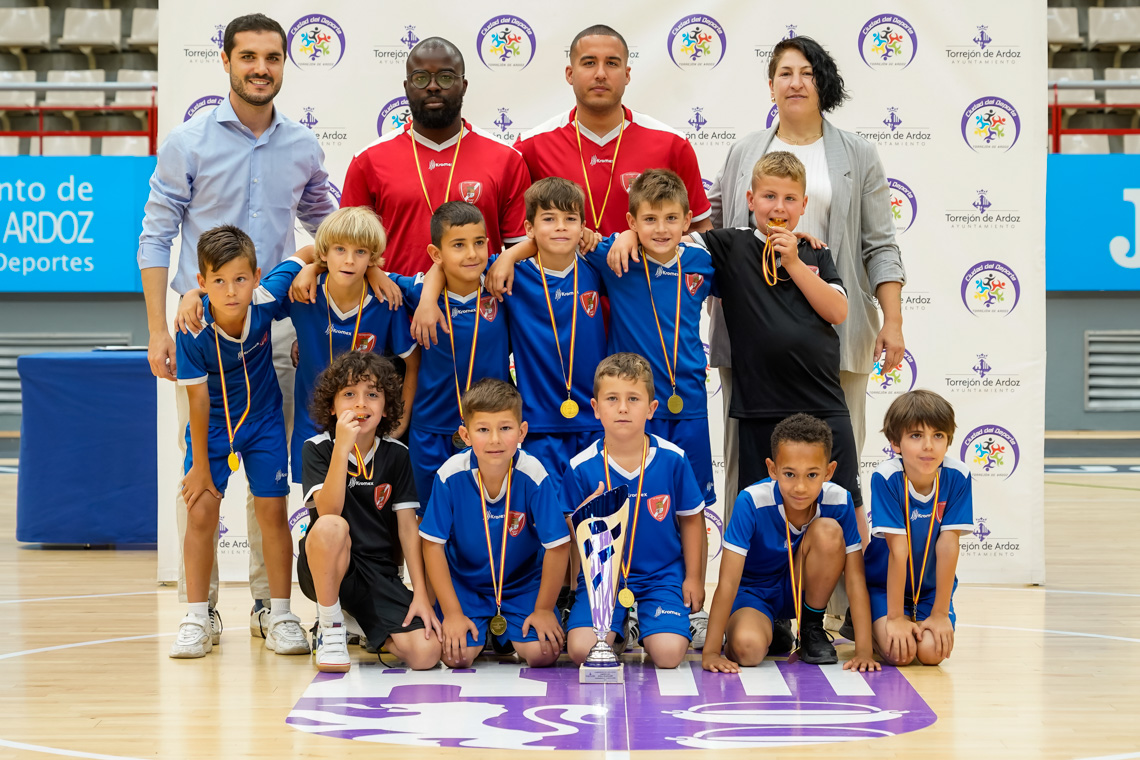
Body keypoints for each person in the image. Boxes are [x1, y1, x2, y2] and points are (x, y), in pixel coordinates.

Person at [138, 12, 336, 637]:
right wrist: (157, 328)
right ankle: (200, 611)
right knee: (201, 470)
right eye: (248, 56)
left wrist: (321, 262)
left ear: (284, 63)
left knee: (270, 477)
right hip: (200, 332)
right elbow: (156, 235)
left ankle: (267, 607)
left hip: (273, 333)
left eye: (272, 57)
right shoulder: (189, 141)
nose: (260, 68)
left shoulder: (303, 146)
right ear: (225, 62)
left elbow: (328, 228)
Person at [707, 35, 906, 520]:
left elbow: (879, 244)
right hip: (753, 334)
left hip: (831, 328)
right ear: (770, 84)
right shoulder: (745, 151)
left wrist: (893, 319)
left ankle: (834, 596)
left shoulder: (857, 154)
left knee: (834, 472)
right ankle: (751, 589)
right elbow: (710, 222)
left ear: (823, 82)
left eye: (807, 73)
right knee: (752, 468)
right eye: (785, 73)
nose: (796, 83)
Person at [177, 206, 417, 488]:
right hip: (311, 428)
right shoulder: (302, 292)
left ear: (373, 258)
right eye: (340, 250)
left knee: (368, 520)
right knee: (317, 522)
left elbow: (412, 364)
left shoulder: (385, 299)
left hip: (368, 427)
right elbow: (239, 293)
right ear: (325, 253)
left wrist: (400, 421)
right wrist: (193, 295)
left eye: (361, 253)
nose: (350, 261)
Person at [170, 226, 313, 659]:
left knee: (272, 511)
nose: (231, 291)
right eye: (218, 282)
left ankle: (280, 613)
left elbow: (309, 250)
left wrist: (313, 268)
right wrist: (198, 465)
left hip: (265, 421)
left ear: (256, 276)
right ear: (201, 284)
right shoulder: (192, 330)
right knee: (201, 512)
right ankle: (197, 617)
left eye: (240, 279)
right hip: (212, 426)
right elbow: (196, 399)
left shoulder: (267, 299)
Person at [412, 177, 605, 488]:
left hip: (595, 419)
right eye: (549, 219)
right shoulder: (506, 275)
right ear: (528, 227)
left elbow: (634, 247)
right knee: (547, 518)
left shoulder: (597, 265)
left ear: (582, 226)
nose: (560, 227)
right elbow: (450, 263)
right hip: (536, 423)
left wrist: (509, 253)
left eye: (570, 220)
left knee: (597, 516)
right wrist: (426, 299)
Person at [340, 37, 531, 276]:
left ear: (464, 85)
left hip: (478, 308)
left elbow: (521, 252)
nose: (433, 86)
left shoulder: (506, 159)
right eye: (420, 78)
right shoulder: (368, 161)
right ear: (406, 86)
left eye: (446, 77)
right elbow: (347, 251)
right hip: (396, 308)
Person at [298, 351, 440, 672]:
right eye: (349, 394)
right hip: (328, 567)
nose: (360, 404)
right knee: (332, 527)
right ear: (332, 407)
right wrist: (343, 447)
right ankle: (332, 625)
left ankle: (357, 623)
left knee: (426, 653)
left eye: (372, 395)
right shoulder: (317, 448)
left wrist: (420, 595)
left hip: (378, 573)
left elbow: (407, 528)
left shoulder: (397, 454)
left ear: (386, 407)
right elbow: (329, 510)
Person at [563, 353, 706, 669]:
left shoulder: (673, 459)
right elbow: (569, 537)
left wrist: (695, 577)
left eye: (633, 398)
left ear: (652, 408)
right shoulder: (580, 468)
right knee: (580, 651)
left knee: (669, 656)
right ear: (596, 408)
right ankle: (616, 629)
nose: (623, 407)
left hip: (662, 575)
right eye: (612, 398)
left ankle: (644, 624)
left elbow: (693, 521)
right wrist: (582, 523)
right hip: (603, 579)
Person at [701, 414, 878, 671]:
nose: (800, 487)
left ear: (829, 471)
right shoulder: (751, 500)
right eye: (790, 474)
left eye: (812, 475)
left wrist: (863, 651)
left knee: (828, 531)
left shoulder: (840, 501)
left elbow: (854, 580)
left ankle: (811, 628)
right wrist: (711, 652)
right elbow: (727, 582)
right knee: (748, 650)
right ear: (773, 469)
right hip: (755, 593)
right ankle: (765, 628)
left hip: (802, 591)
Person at [420, 379, 571, 668]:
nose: (495, 440)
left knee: (543, 654)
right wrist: (451, 613)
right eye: (482, 430)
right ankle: (490, 630)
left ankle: (503, 633)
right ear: (465, 434)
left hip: (521, 584)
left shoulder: (534, 474)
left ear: (521, 432)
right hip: (467, 584)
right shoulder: (449, 475)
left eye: (505, 428)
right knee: (457, 657)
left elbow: (558, 546)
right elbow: (432, 544)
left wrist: (542, 609)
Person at [514, 25, 712, 237]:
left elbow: (699, 228)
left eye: (611, 63)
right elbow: (518, 235)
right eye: (589, 63)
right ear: (570, 74)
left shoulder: (672, 143)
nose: (600, 74)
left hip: (645, 271)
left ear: (627, 75)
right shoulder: (531, 145)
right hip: (562, 272)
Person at [391, 202, 511, 503]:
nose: (472, 254)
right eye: (459, 245)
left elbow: (536, 243)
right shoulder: (418, 293)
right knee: (428, 517)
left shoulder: (501, 284)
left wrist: (511, 253)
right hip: (431, 427)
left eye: (479, 243)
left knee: (485, 517)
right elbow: (368, 270)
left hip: (489, 431)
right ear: (436, 254)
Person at [864, 390, 973, 666]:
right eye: (916, 436)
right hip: (885, 589)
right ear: (895, 443)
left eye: (938, 436)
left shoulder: (957, 476)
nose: (928, 446)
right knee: (901, 655)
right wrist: (896, 618)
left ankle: (926, 615)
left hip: (930, 590)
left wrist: (939, 613)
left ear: (948, 441)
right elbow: (898, 552)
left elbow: (948, 545)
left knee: (931, 653)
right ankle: (865, 619)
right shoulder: (886, 477)